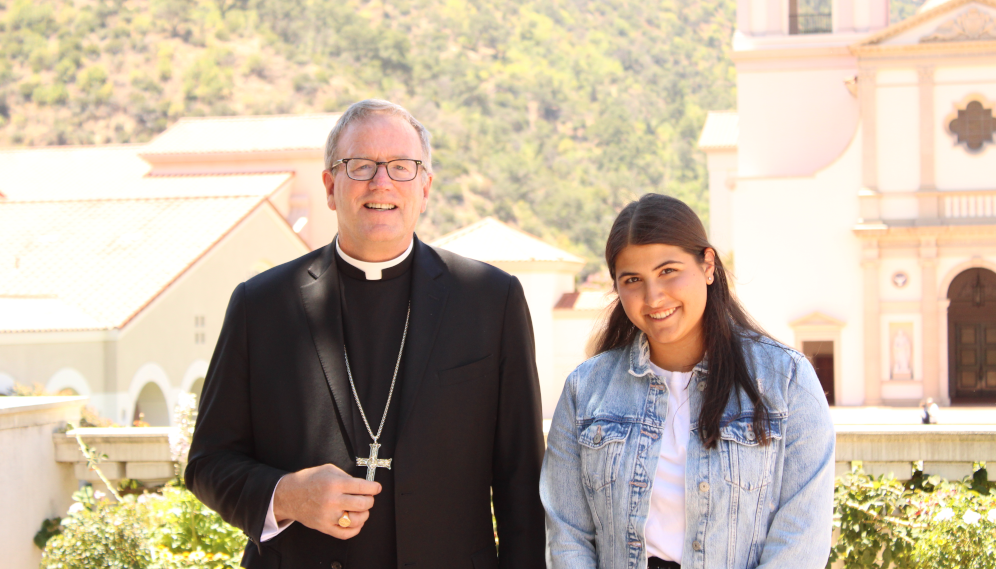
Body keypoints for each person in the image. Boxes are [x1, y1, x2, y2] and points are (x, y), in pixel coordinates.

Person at [186, 99, 547, 569]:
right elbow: (208, 463)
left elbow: (521, 478)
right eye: (361, 166)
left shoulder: (489, 299)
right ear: (331, 186)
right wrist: (288, 497)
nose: (382, 182)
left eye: (401, 167)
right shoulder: (261, 305)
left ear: (425, 187)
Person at [540, 193, 835, 569]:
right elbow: (568, 536)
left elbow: (801, 541)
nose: (653, 296)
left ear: (708, 265)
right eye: (633, 280)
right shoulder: (585, 390)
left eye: (668, 271)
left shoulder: (786, 382)